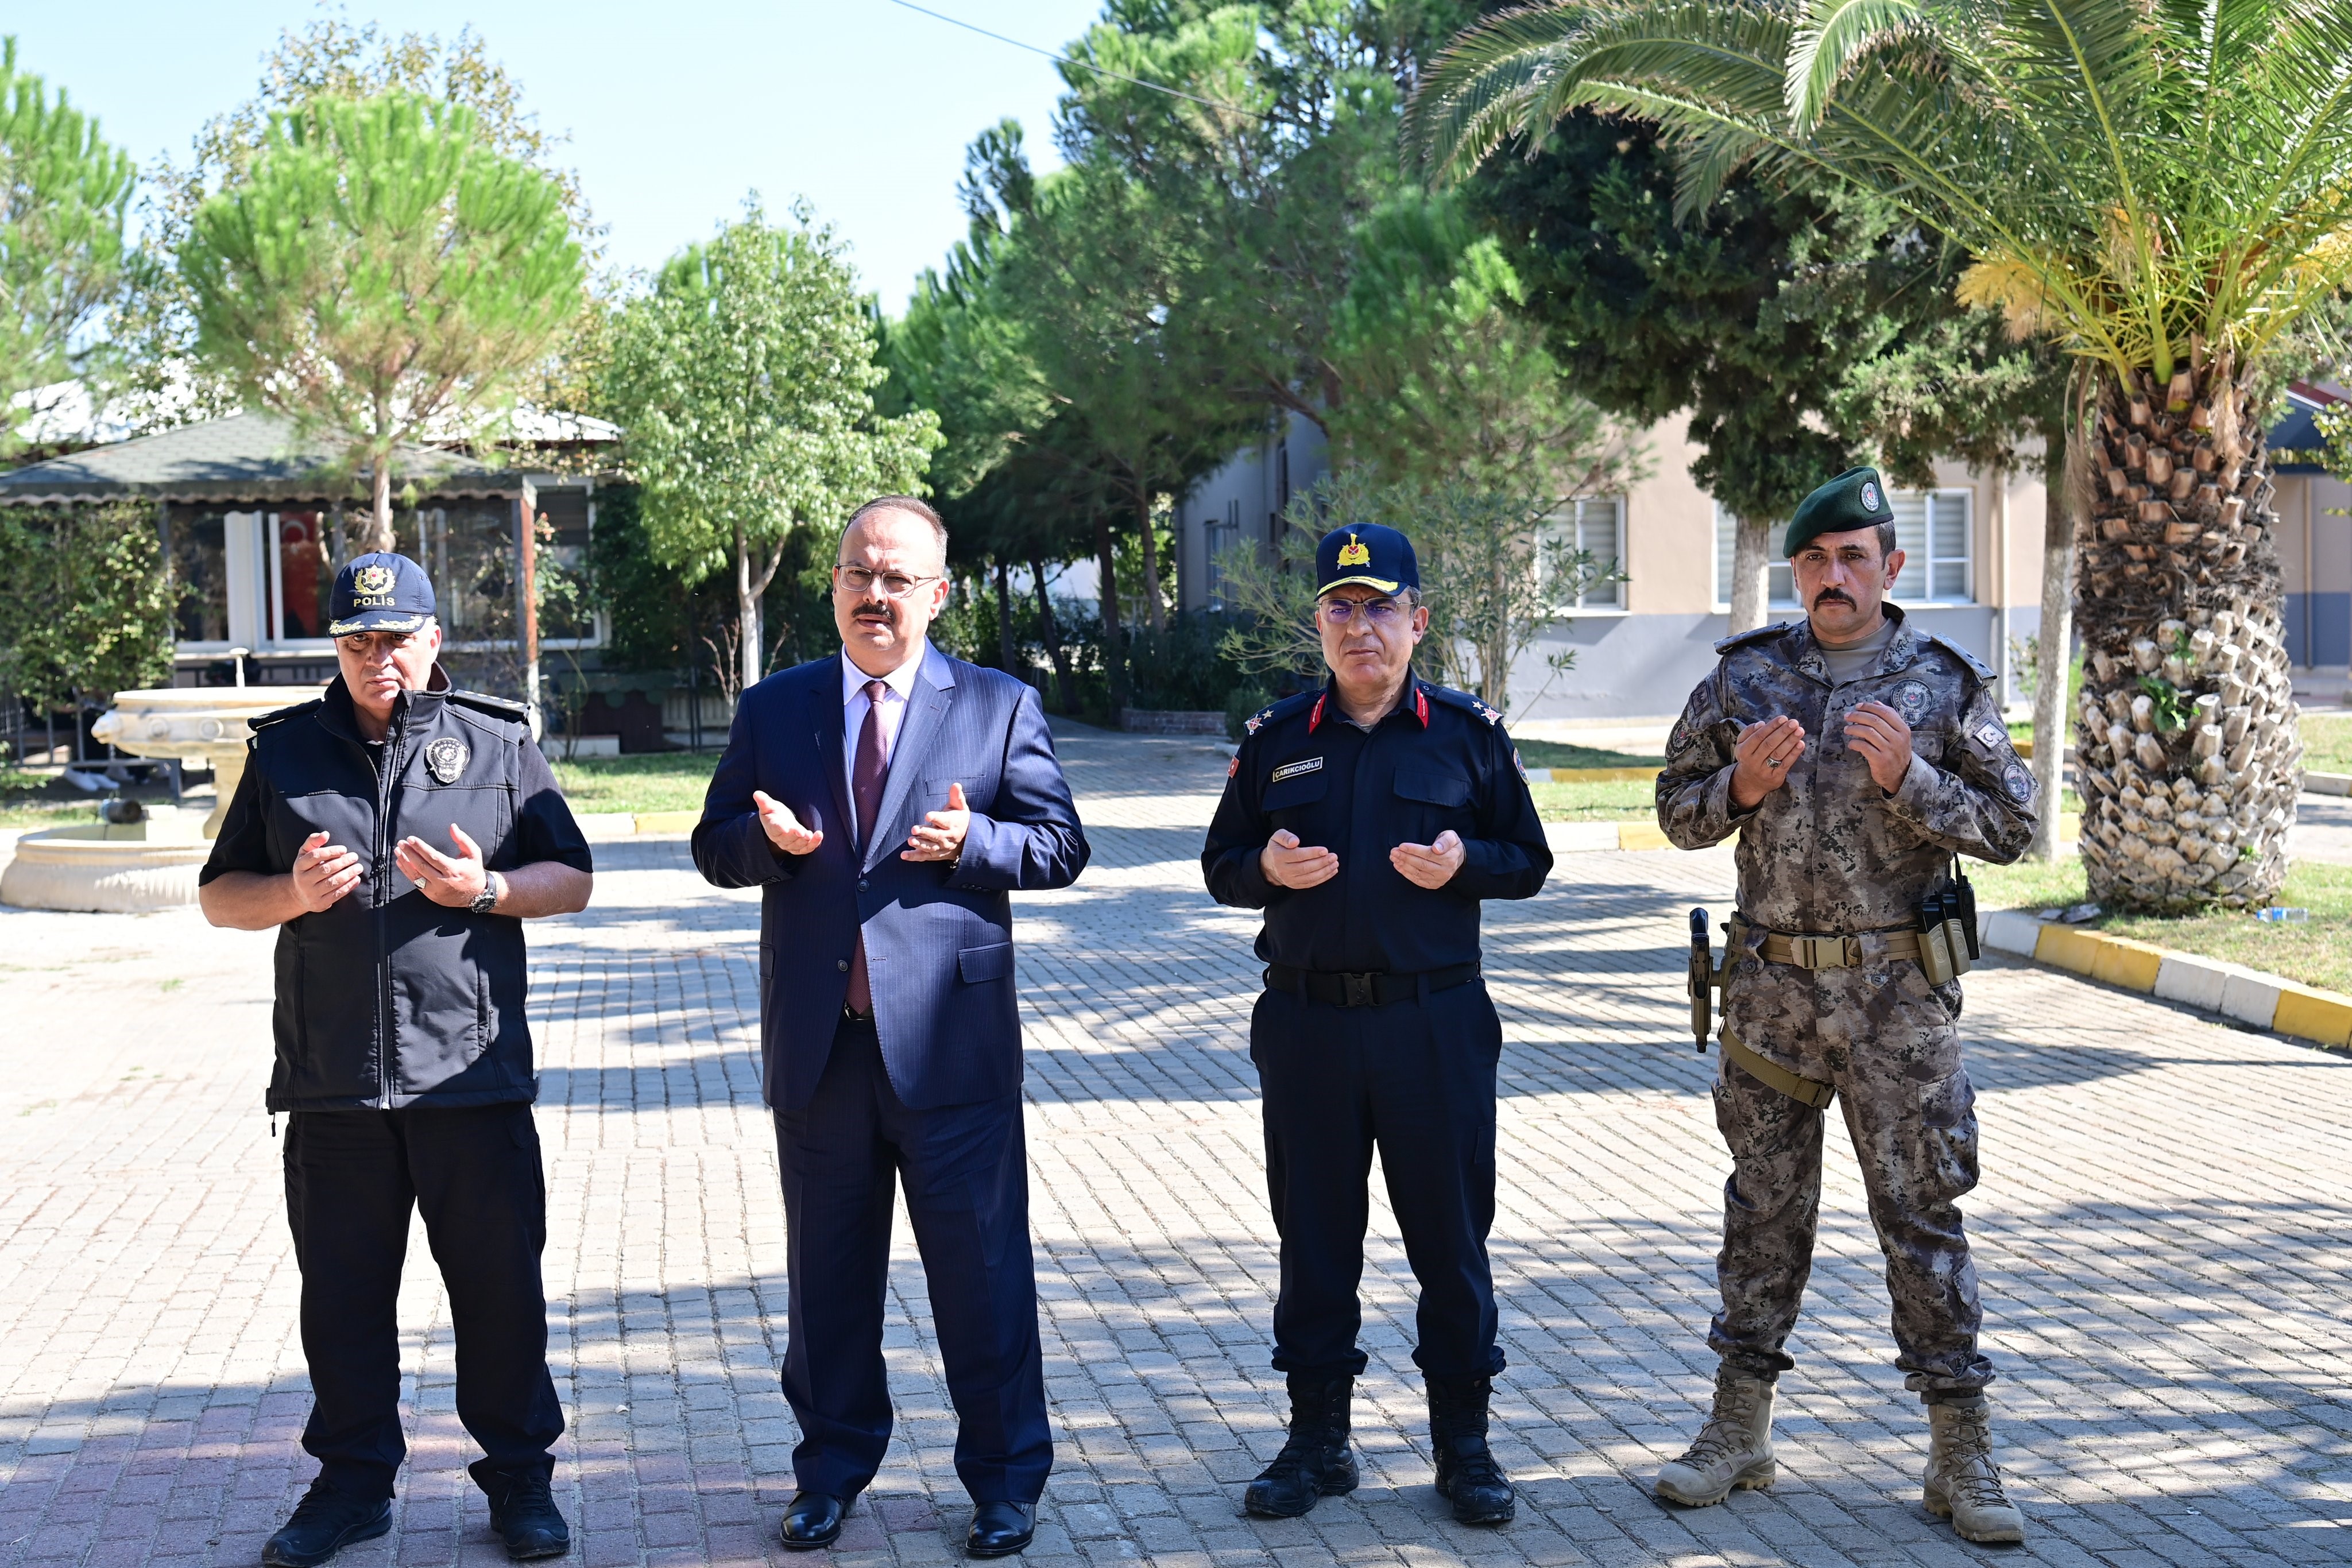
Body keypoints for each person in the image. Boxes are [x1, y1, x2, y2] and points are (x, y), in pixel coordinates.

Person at [691, 497, 1089, 1558]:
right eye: (859, 575)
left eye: (898, 578)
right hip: (823, 1050)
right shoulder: (777, 709)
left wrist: (976, 842)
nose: (876, 595)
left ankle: (1005, 1484)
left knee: (984, 1277)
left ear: (938, 593)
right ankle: (829, 1472)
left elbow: (1060, 845)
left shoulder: (999, 705)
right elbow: (712, 842)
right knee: (827, 1287)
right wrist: (766, 846)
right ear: (833, 585)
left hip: (952, 1051)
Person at [1653, 467, 2038, 1543]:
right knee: (1762, 1209)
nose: (1834, 577)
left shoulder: (1942, 684)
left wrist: (1913, 777)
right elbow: (1675, 810)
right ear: (1798, 571)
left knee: (1922, 1218)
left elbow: (2015, 826)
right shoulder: (1745, 681)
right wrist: (1737, 790)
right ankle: (1739, 1431)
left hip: (1897, 1003)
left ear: (1890, 568)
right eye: (1816, 561)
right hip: (1772, 994)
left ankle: (1961, 1455)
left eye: (1853, 557)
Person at [198, 552, 595, 1566]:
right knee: (342, 1303)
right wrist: (291, 894)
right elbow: (220, 894)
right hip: (334, 1086)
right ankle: (351, 1488)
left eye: (398, 638)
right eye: (359, 641)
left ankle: (519, 1485)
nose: (380, 659)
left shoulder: (497, 744)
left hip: (471, 1078)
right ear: (337, 647)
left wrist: (488, 891)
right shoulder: (285, 754)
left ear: (433, 640)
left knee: (501, 1298)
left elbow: (572, 875)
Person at [1200, 523, 1553, 1527]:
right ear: (1318, 625)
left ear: (1418, 621)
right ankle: (1318, 1442)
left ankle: (1465, 1447)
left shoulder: (1468, 737)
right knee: (1314, 1239)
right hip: (1307, 1026)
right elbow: (1219, 866)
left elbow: (1528, 860)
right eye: (1342, 609)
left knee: (1449, 1238)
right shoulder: (1276, 741)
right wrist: (1262, 870)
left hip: (1432, 1024)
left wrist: (1466, 866)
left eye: (1382, 607)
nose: (1364, 628)